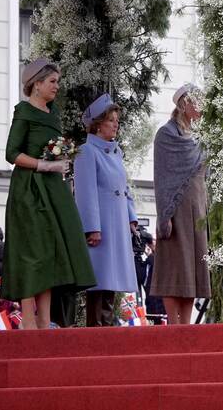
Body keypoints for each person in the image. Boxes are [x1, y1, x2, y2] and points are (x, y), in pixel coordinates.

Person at [3, 58, 96, 329]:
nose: (57, 86)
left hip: (53, 190)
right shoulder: (23, 112)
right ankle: (28, 320)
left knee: (49, 254)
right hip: (29, 191)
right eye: (53, 81)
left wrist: (61, 162)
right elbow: (11, 153)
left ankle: (45, 321)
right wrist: (44, 164)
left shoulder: (52, 112)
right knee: (31, 252)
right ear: (36, 84)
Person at [73, 94, 139, 327]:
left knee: (112, 280)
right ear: (98, 123)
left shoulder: (116, 152)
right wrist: (91, 228)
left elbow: (124, 187)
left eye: (116, 120)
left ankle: (107, 326)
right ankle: (97, 329)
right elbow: (85, 193)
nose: (115, 124)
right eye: (111, 120)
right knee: (100, 280)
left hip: (117, 224)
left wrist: (132, 218)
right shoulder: (87, 152)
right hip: (102, 227)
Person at [151, 84, 211, 325]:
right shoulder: (166, 135)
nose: (201, 107)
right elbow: (163, 177)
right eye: (197, 102)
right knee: (174, 265)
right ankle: (173, 324)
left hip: (198, 207)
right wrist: (165, 214)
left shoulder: (199, 137)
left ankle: (186, 324)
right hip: (175, 209)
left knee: (192, 266)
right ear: (184, 104)